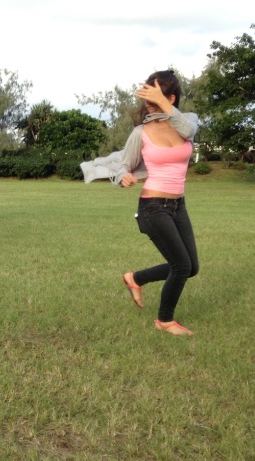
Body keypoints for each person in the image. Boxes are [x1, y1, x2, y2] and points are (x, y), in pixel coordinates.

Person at [81, 70, 200, 335]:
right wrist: (123, 176)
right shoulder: (141, 132)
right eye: (146, 95)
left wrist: (164, 103)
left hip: (178, 205)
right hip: (153, 207)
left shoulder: (187, 123)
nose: (148, 102)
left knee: (192, 267)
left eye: (155, 96)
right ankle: (165, 321)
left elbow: (188, 129)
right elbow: (125, 164)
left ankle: (135, 278)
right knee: (181, 266)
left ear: (171, 98)